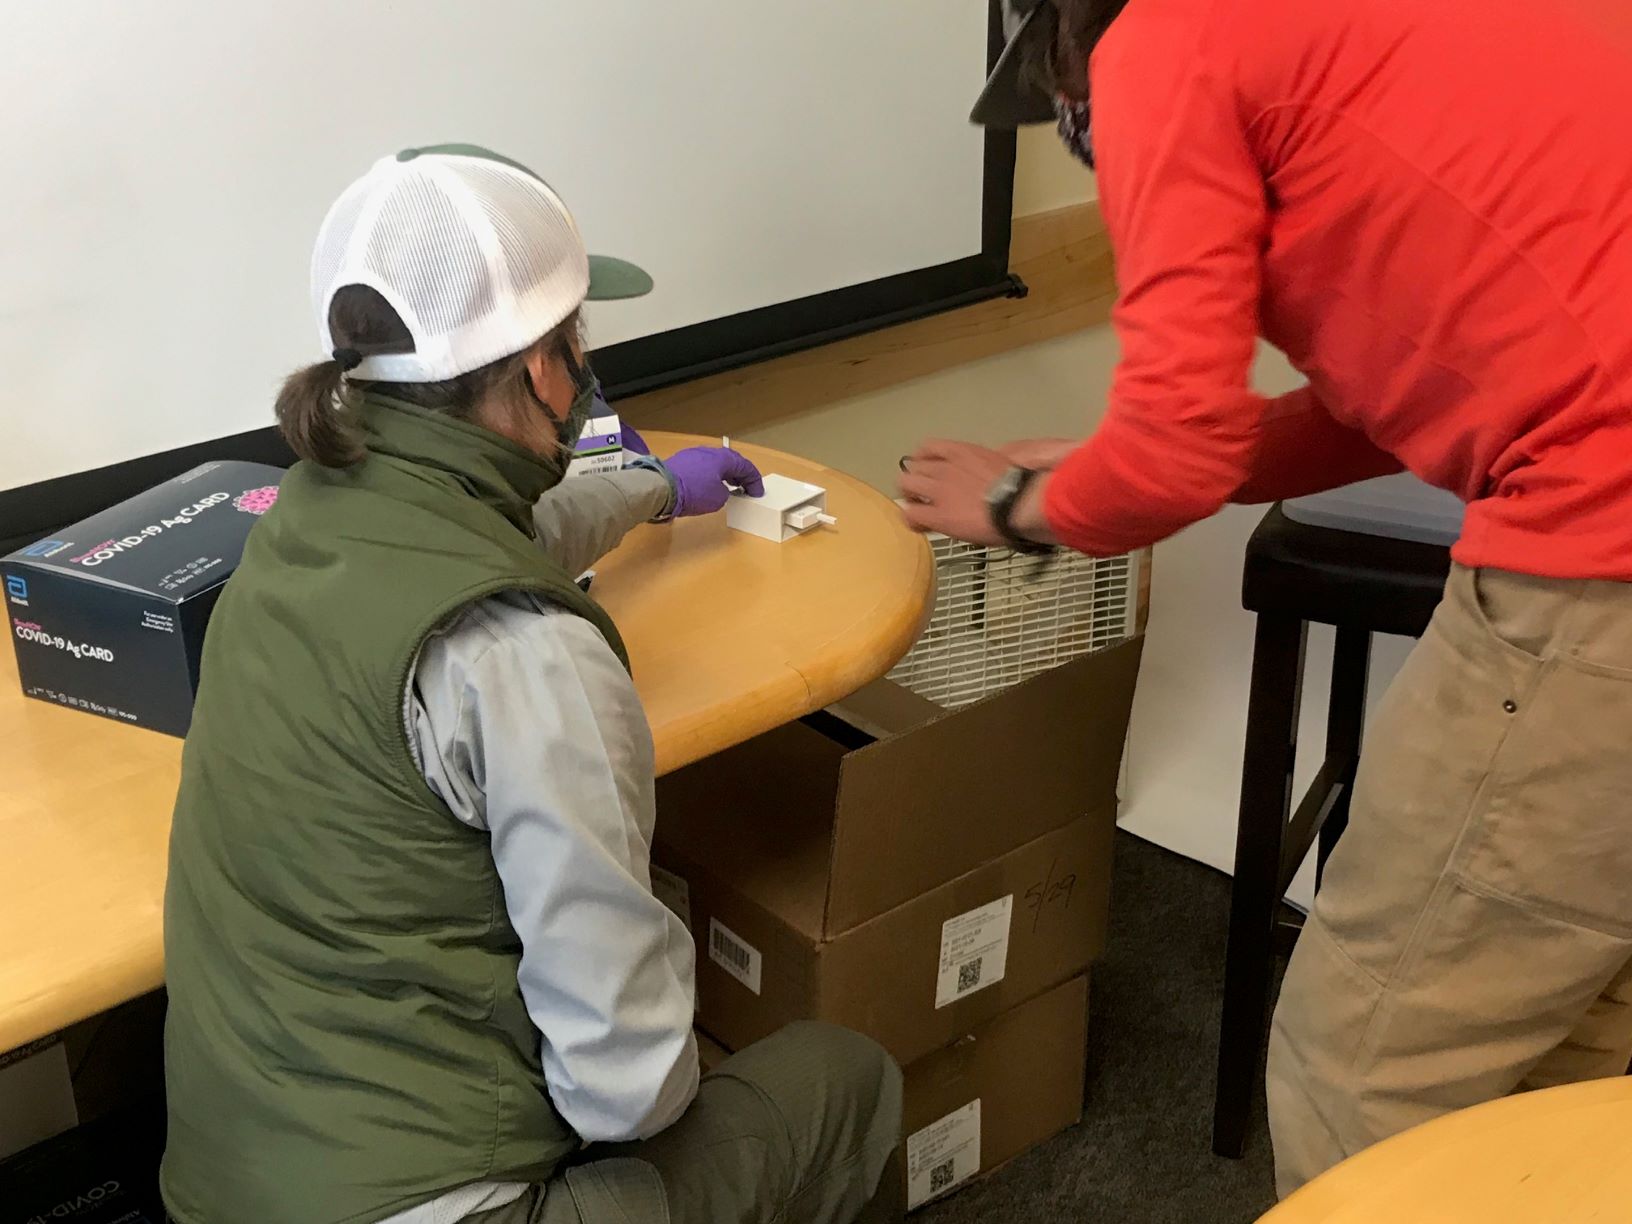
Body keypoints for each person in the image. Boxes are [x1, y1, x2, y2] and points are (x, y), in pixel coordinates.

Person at [901, 0, 1632, 1197]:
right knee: (1566, 1028)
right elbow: (1386, 391)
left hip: (1604, 553)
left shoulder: (1163, 44)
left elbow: (1170, 459)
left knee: (1369, 1068)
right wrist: (1096, 471)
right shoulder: (1355, 40)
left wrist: (1022, 506)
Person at [160, 145, 903, 1224]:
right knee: (839, 1078)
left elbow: (501, 527)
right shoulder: (529, 651)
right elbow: (627, 1089)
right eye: (575, 341)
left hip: (230, 1191)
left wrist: (648, 490)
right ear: (540, 370)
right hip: (448, 1207)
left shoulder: (301, 524)